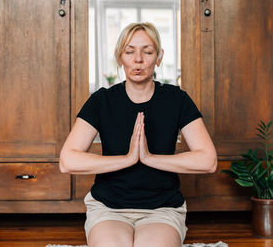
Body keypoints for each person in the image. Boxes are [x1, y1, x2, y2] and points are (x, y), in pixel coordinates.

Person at [59, 22, 217, 247]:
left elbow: (208, 160)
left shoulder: (177, 100)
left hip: (163, 209)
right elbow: (67, 161)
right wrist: (128, 159)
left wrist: (149, 158)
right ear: (119, 57)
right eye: (129, 51)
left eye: (148, 51)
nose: (138, 59)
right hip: (108, 207)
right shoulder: (101, 101)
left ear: (159, 57)